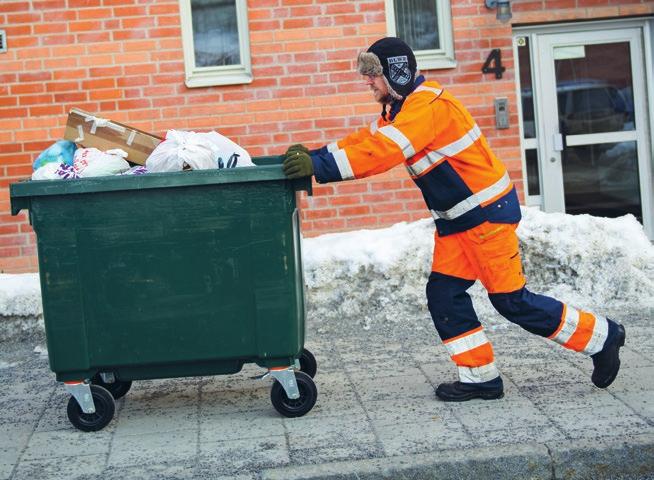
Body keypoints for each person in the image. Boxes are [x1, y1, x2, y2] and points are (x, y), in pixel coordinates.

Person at [281, 37, 626, 402]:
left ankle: (602, 337)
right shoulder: (398, 110)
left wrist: (317, 168)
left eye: (373, 76)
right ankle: (480, 378)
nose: (368, 83)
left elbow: (382, 151)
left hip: (486, 218)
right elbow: (362, 140)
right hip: (459, 222)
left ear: (395, 74)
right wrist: (314, 154)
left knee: (512, 301)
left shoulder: (427, 108)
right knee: (444, 295)